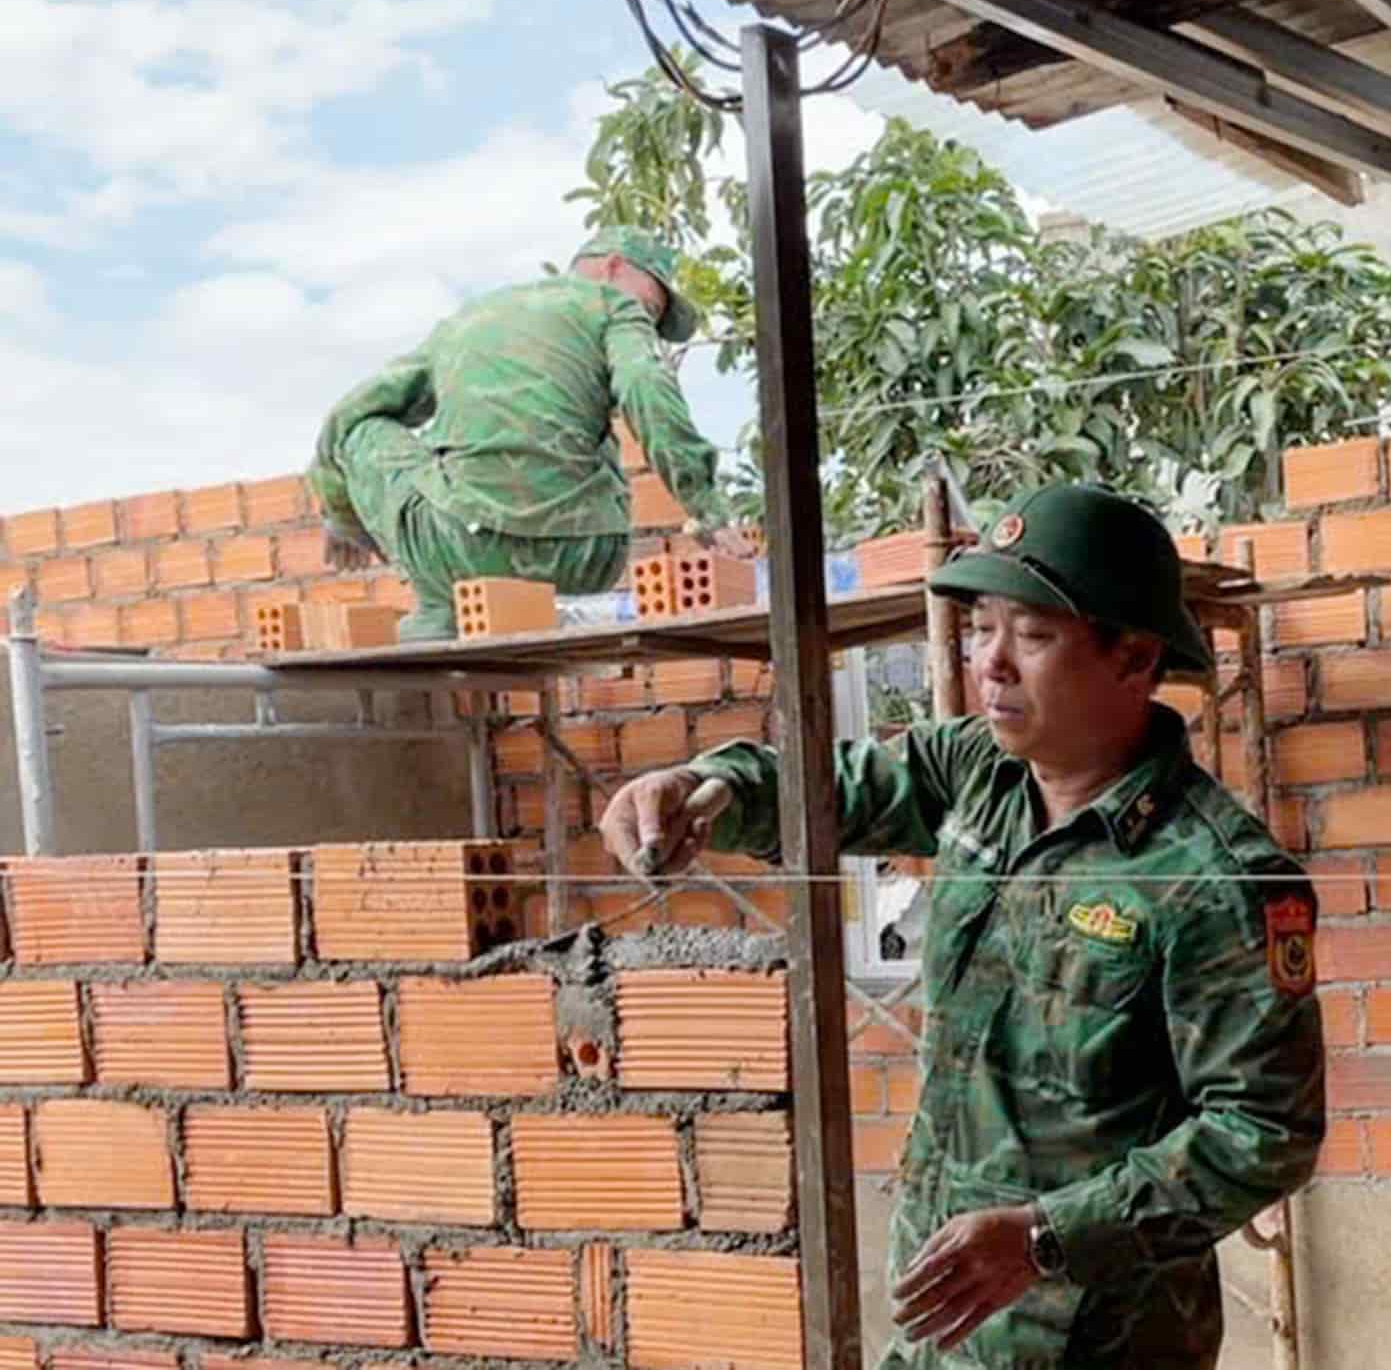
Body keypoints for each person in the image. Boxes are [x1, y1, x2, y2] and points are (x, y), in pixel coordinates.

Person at [602, 484, 1326, 1369]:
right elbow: (834, 786)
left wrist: (1043, 1238)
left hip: (1096, 1338)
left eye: (1033, 634)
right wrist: (704, 785)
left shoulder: (1216, 877)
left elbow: (1263, 1133)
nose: (991, 662)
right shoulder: (979, 771)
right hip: (941, 1311)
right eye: (983, 626)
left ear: (1134, 658)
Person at [304, 227, 739, 642]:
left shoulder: (468, 321)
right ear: (613, 266)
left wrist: (343, 517)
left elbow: (348, 417)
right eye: (655, 304)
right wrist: (706, 505)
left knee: (362, 433)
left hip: (465, 550)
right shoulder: (613, 305)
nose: (651, 318)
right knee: (590, 428)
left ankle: (442, 607)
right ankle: (451, 605)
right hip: (585, 558)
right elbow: (647, 387)